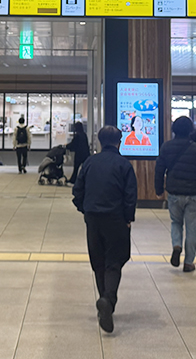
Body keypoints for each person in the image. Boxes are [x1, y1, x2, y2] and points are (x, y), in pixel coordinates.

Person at [72, 125, 137, 334]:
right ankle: (108, 300)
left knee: (99, 262)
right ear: (120, 142)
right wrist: (128, 217)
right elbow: (130, 195)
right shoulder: (124, 165)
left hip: (93, 218)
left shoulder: (89, 163)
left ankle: (104, 301)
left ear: (100, 142)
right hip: (116, 218)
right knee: (114, 261)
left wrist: (85, 210)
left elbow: (77, 191)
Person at [154, 116, 196, 272]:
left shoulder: (166, 147)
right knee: (192, 228)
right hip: (193, 193)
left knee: (176, 223)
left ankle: (177, 245)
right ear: (190, 131)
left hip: (174, 192)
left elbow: (159, 169)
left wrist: (159, 189)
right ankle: (188, 262)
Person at [66, 121, 91, 185]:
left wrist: (66, 146)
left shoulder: (77, 135)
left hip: (79, 154)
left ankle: (73, 180)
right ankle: (87, 179)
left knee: (76, 168)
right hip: (85, 154)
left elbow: (73, 144)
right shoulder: (84, 134)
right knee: (85, 168)